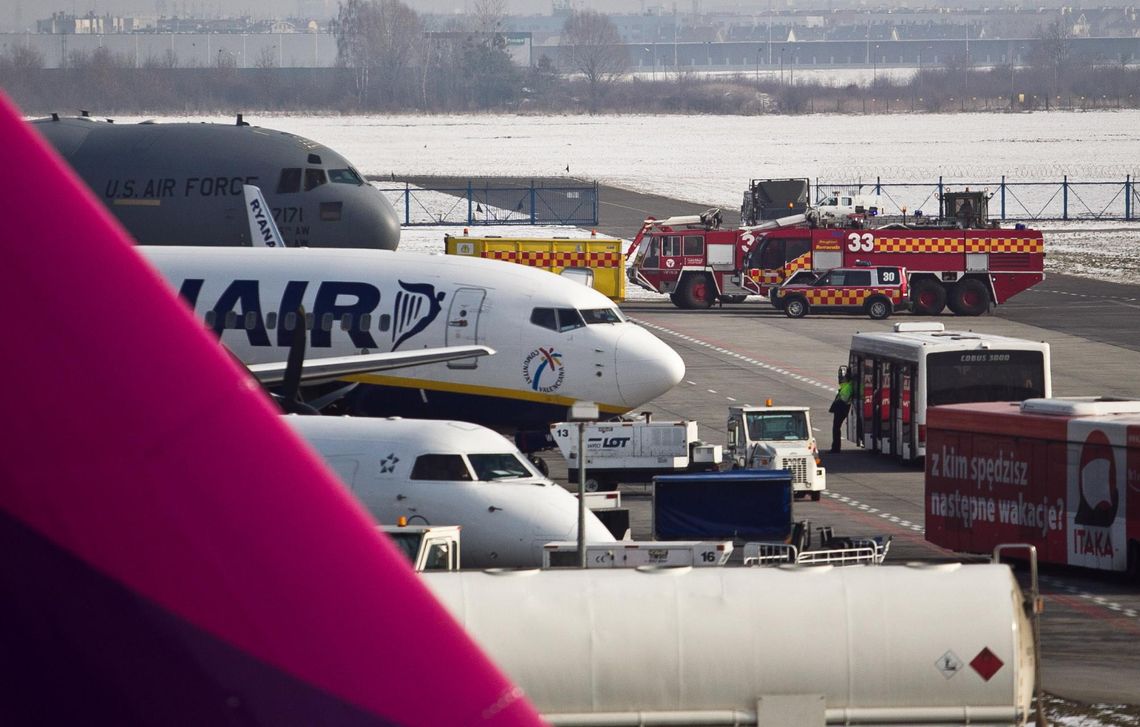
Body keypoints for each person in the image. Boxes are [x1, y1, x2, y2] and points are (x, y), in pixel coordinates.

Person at [829, 366, 854, 453]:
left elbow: (844, 399)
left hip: (841, 409)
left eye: (842, 378)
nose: (840, 380)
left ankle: (835, 448)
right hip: (842, 408)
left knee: (836, 428)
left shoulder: (848, 386)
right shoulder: (848, 384)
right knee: (836, 428)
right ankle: (835, 447)